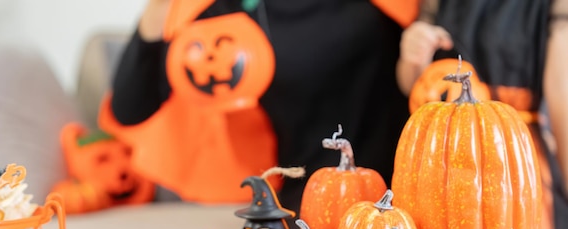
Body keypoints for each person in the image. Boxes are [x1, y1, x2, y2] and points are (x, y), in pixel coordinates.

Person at [99, 0, 415, 215]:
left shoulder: (387, 10)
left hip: (407, 192)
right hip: (304, 202)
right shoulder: (228, 11)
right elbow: (132, 108)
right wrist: (161, 8)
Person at [396, 0, 568, 229]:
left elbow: (561, 94)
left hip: (511, 156)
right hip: (443, 156)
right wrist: (413, 58)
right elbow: (413, 84)